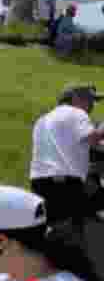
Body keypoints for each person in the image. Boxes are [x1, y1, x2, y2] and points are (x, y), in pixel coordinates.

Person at [29, 83, 104, 226]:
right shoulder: (76, 113)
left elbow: (68, 152)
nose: (92, 106)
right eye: (89, 100)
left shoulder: (43, 120)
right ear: (75, 99)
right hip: (66, 187)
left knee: (58, 229)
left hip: (38, 185)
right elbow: (94, 139)